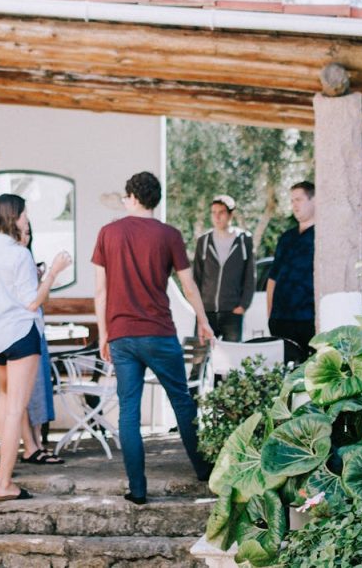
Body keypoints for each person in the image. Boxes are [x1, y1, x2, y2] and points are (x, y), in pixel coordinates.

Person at [92, 171, 214, 505]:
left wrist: (104, 334)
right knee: (182, 402)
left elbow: (100, 293)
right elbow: (188, 286)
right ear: (155, 200)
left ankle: (138, 489)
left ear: (131, 197)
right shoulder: (169, 235)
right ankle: (204, 471)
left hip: (122, 336)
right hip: (159, 334)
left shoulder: (108, 233)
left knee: (128, 410)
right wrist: (203, 320)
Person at [0, 194, 72, 501]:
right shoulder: (19, 255)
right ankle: (4, 483)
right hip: (20, 334)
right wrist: (54, 272)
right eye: (24, 215)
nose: (27, 219)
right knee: (16, 408)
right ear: (13, 217)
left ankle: (5, 476)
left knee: (7, 405)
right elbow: (33, 301)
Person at [20, 221, 62, 464]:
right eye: (23, 233)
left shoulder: (26, 257)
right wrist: (50, 275)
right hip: (25, 328)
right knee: (26, 389)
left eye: (29, 233)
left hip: (37, 328)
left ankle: (37, 441)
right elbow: (32, 300)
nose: (26, 238)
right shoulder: (18, 259)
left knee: (39, 386)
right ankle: (30, 446)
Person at [192, 194, 255, 342]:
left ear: (230, 214)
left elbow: (250, 276)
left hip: (232, 312)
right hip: (206, 312)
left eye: (221, 212)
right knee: (199, 359)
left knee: (231, 360)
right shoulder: (204, 241)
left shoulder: (244, 240)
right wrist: (198, 307)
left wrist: (243, 306)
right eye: (213, 213)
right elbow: (197, 276)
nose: (217, 217)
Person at [266, 181, 316, 363]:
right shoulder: (286, 238)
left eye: (299, 199)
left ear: (314, 201)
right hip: (280, 320)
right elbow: (273, 278)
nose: (294, 205)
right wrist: (270, 314)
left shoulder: (322, 236)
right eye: (292, 200)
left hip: (308, 320)